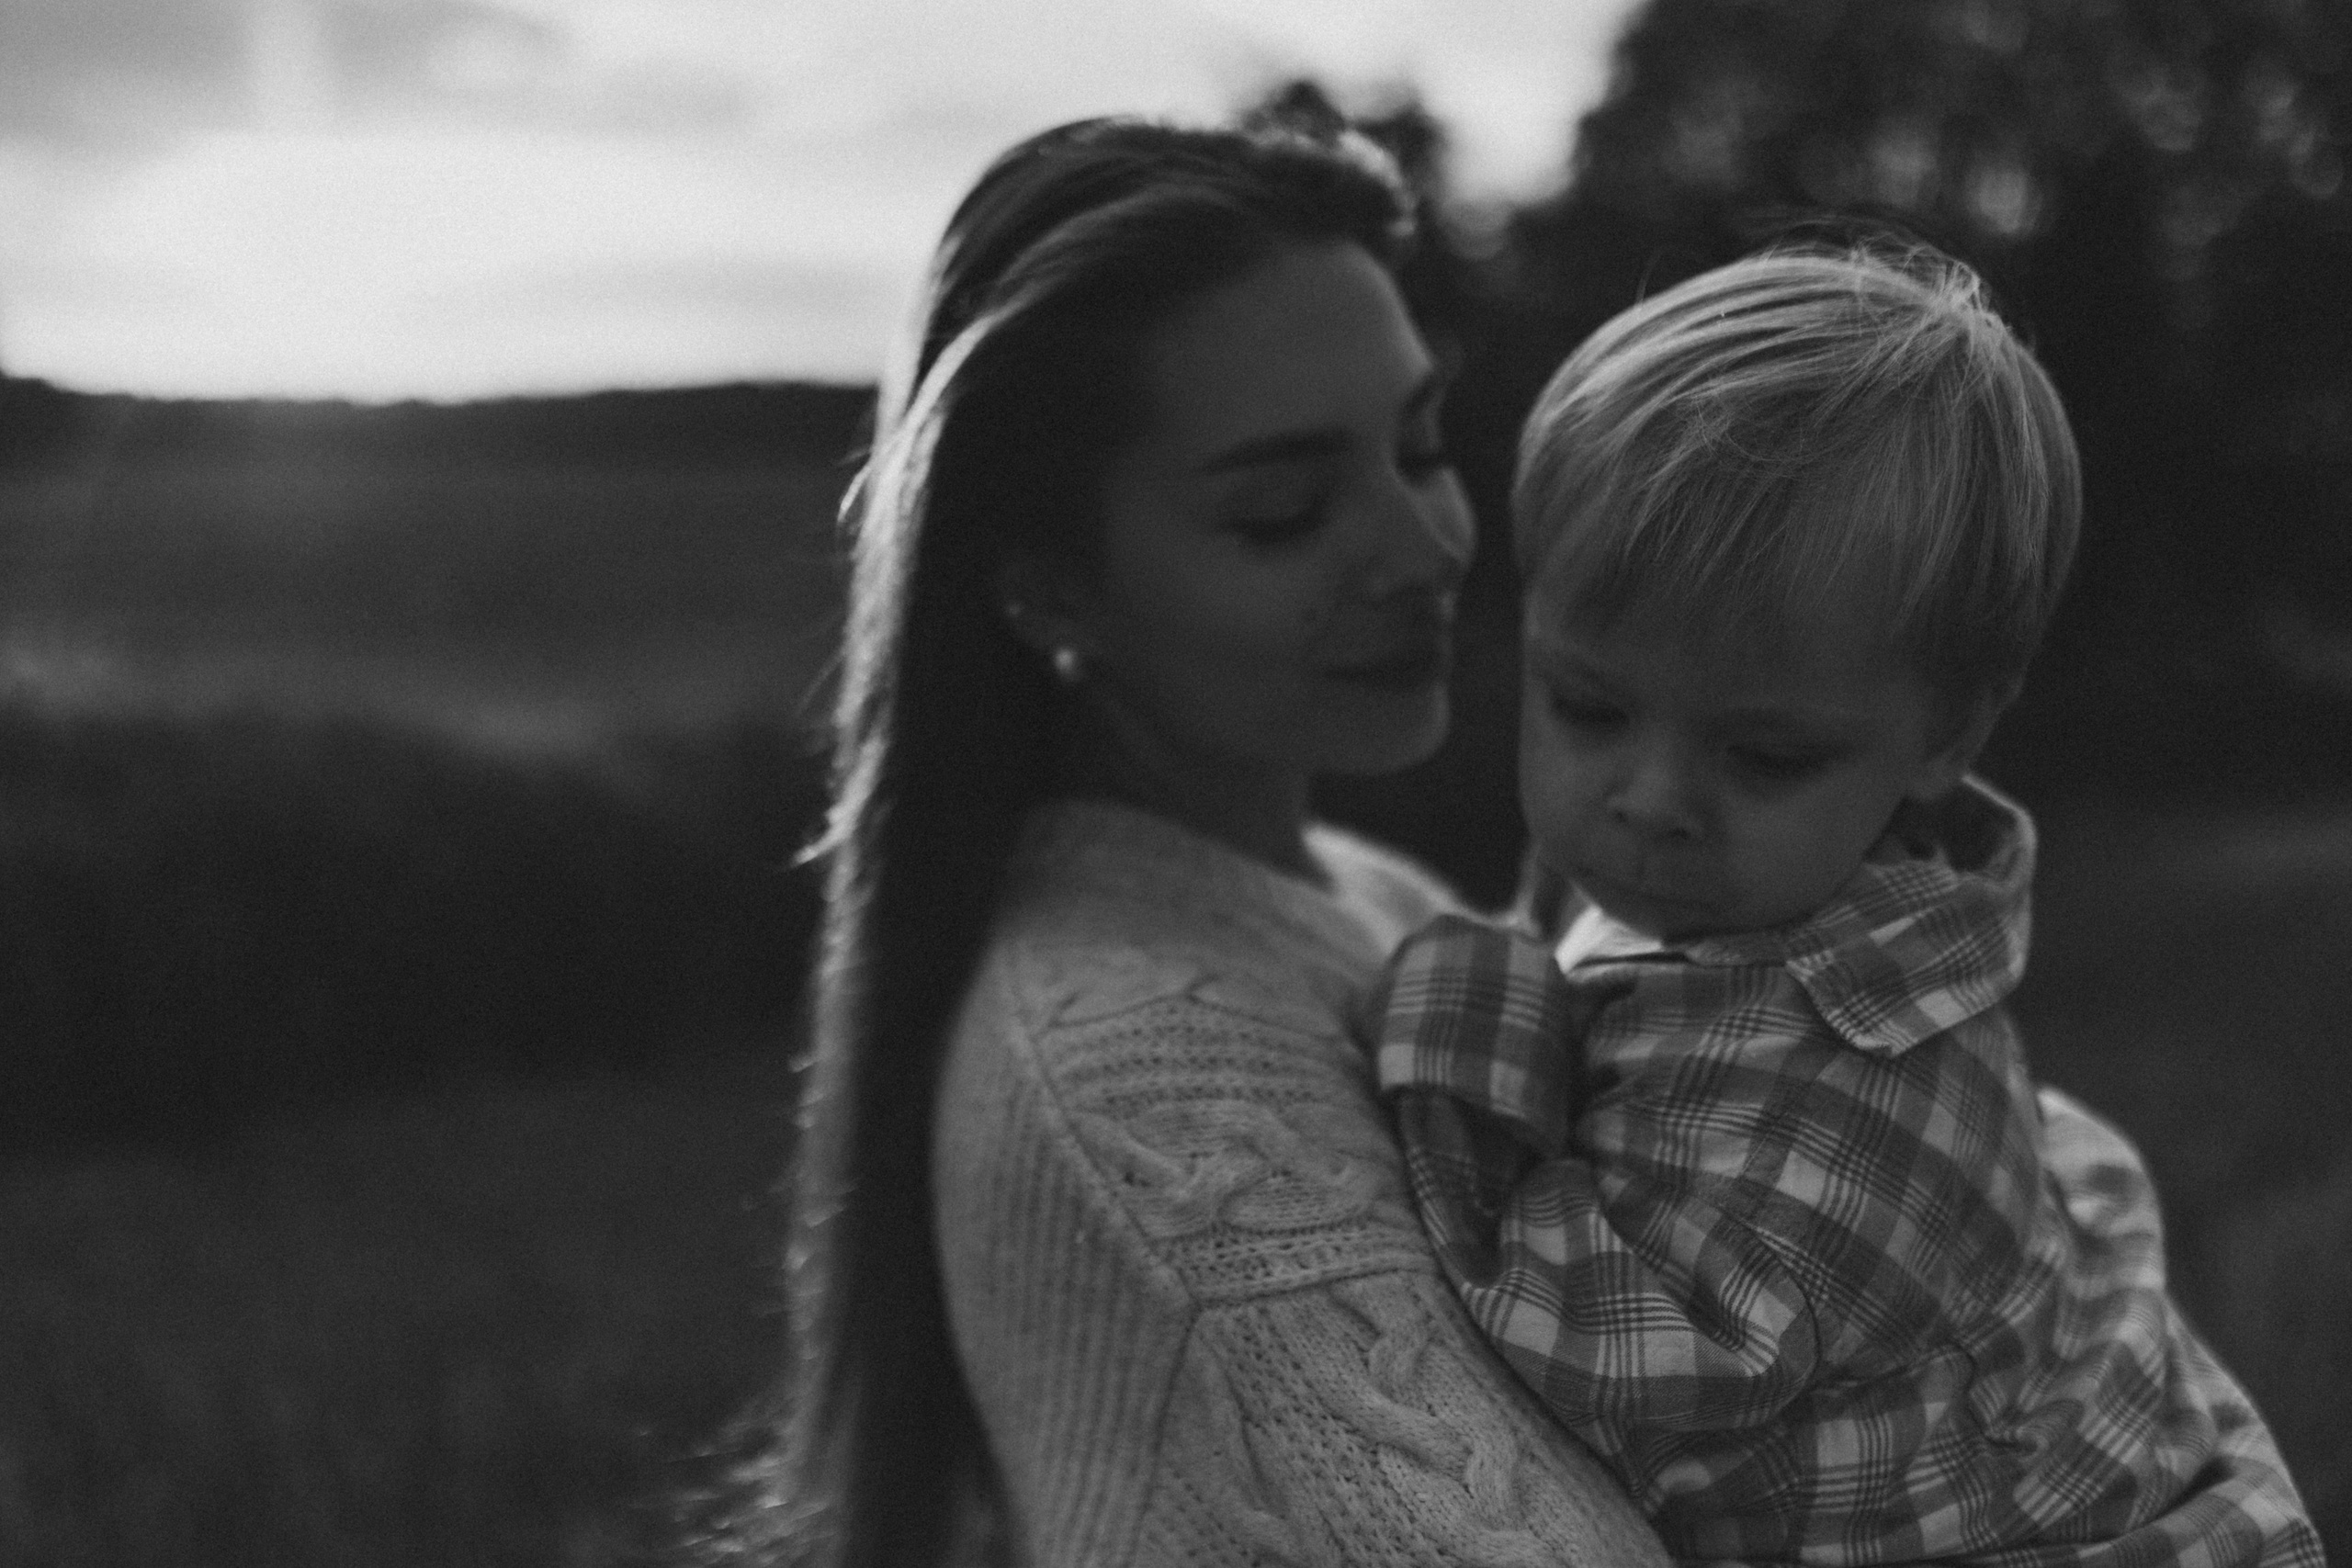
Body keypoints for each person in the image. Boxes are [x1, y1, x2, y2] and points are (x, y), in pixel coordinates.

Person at [695, 116, 1674, 1568]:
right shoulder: (1133, 1086)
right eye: (1283, 512)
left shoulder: (1372, 898)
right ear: (1046, 588)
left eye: (1420, 444)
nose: (1427, 545)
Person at [1371, 246, 2324, 1566]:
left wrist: (1459, 1049)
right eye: (1586, 706)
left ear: (1949, 736)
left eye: (1764, 757)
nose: (1649, 799)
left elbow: (1621, 1380)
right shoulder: (1716, 887)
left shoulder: (1840, 1083)